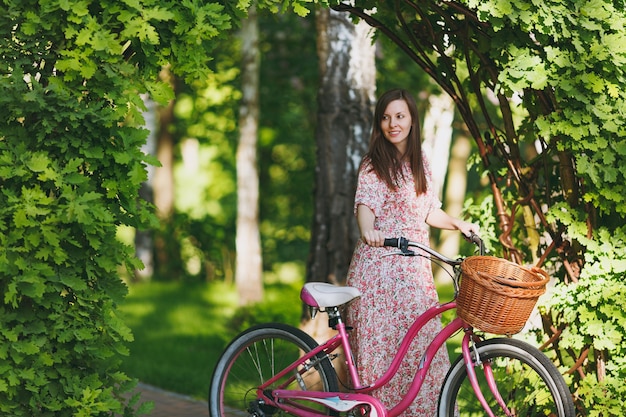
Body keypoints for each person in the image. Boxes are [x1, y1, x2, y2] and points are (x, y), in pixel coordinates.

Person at [346, 88, 479, 416]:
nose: (393, 123)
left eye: (400, 116)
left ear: (412, 120)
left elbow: (428, 211)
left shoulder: (420, 161)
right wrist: (367, 229)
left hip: (416, 277)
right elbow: (365, 205)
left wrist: (457, 224)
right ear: (380, 123)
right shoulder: (374, 164)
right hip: (381, 274)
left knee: (424, 355)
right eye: (387, 117)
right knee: (385, 360)